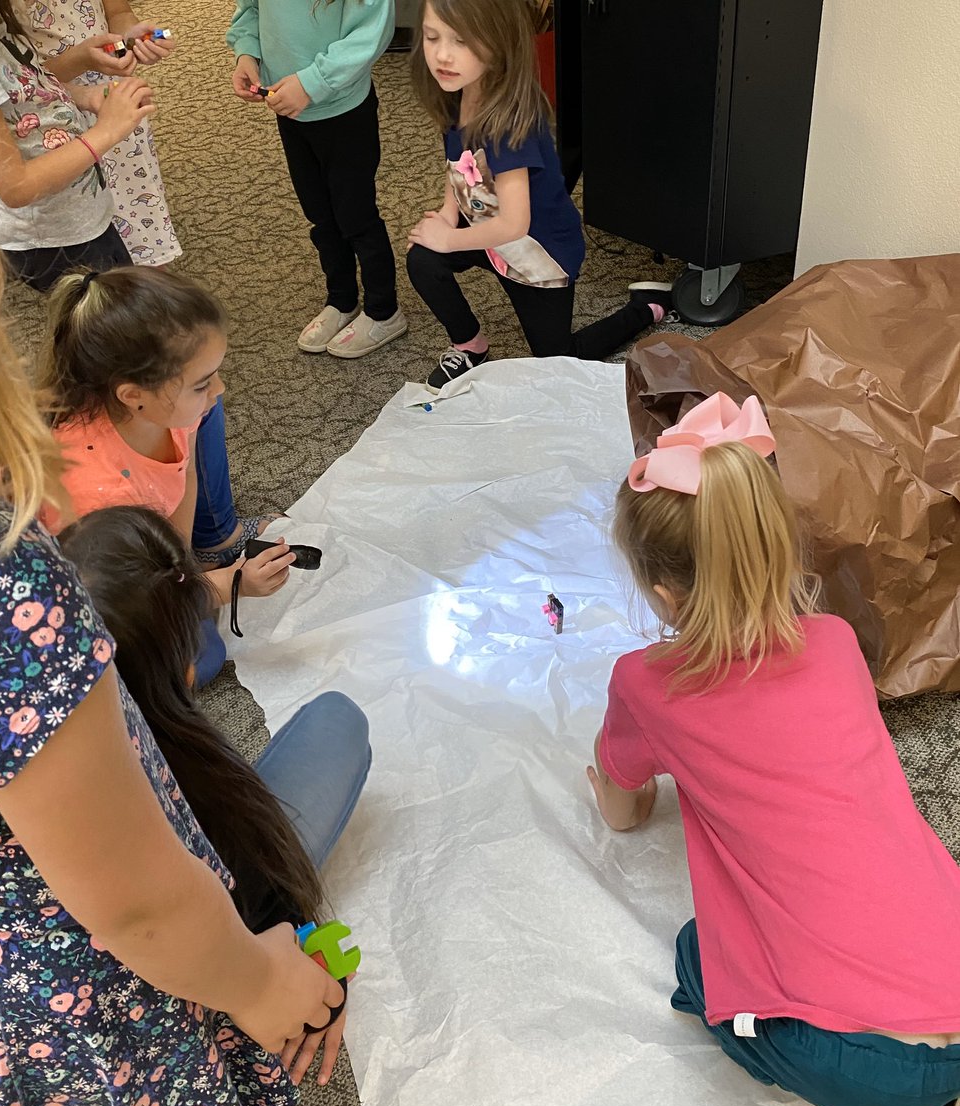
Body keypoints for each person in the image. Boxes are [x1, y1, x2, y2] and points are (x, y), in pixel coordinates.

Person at [0, 55, 339, 1106]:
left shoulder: (46, 526)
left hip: (0, 962)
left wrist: (208, 576)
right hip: (69, 972)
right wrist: (260, 982)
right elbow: (136, 898)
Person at [589, 391, 960, 1106]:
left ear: (661, 591)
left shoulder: (646, 684)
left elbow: (623, 810)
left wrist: (613, 785)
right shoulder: (835, 645)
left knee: (701, 958)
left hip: (857, 1061)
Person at [57, 501, 371, 967]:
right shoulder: (184, 774)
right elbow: (256, 910)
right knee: (339, 718)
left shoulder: (21, 731)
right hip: (224, 939)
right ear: (186, 668)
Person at [38, 264, 289, 685]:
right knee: (199, 661)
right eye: (202, 381)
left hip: (138, 556)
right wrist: (229, 584)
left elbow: (185, 473)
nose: (220, 387)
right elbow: (129, 607)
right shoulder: (99, 499)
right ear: (133, 396)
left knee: (204, 412)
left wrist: (183, 564)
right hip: (97, 605)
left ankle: (208, 551)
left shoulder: (163, 410)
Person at [406, 0, 670, 393]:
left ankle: (643, 308)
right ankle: (469, 345)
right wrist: (448, 212)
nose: (442, 54)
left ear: (499, 44)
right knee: (423, 260)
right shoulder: (457, 92)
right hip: (488, 232)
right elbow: (457, 161)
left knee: (557, 360)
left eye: (461, 41)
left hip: (539, 253)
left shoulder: (510, 124)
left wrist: (451, 238)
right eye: (431, 37)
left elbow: (516, 224)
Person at [228, 0, 409, 359]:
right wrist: (247, 52)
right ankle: (341, 300)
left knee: (356, 215)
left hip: (343, 109)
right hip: (291, 111)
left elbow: (371, 32)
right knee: (320, 213)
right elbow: (251, 9)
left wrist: (312, 82)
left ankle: (384, 311)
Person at [0, 0, 155, 290]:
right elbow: (16, 186)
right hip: (54, 236)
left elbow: (24, 87)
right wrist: (106, 131)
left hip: (77, 213)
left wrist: (84, 94)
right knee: (106, 325)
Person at [20, 0, 182, 266]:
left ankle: (149, 265)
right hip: (50, 114)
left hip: (113, 101)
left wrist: (131, 37)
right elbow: (23, 79)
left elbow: (119, 11)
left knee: (135, 200)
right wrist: (81, 59)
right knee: (89, 244)